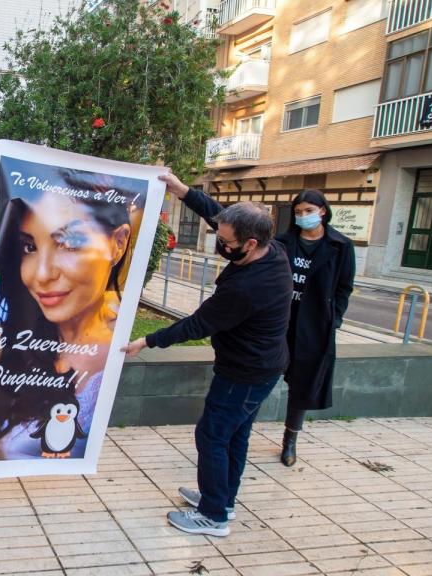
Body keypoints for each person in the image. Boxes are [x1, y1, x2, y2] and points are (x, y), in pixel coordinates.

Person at [122, 172, 292, 538]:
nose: (220, 244)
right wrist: (183, 191)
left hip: (244, 373)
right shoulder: (271, 249)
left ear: (248, 243)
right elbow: (217, 213)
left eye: (226, 241)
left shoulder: (248, 288)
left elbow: (198, 324)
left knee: (213, 435)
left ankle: (214, 516)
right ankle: (221, 498)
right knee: (235, 435)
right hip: (260, 366)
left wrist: (148, 341)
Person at [0, 181, 144, 462]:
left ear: (118, 243)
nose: (42, 274)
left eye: (68, 243)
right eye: (29, 246)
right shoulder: (1, 342)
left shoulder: (119, 341)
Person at [275, 189, 355, 466]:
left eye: (308, 210)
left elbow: (344, 287)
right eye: (298, 212)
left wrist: (336, 318)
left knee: (302, 384)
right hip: (280, 321)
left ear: (322, 210)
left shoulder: (341, 246)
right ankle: (241, 432)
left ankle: (290, 441)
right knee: (261, 375)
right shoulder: (283, 242)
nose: (303, 216)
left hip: (314, 326)